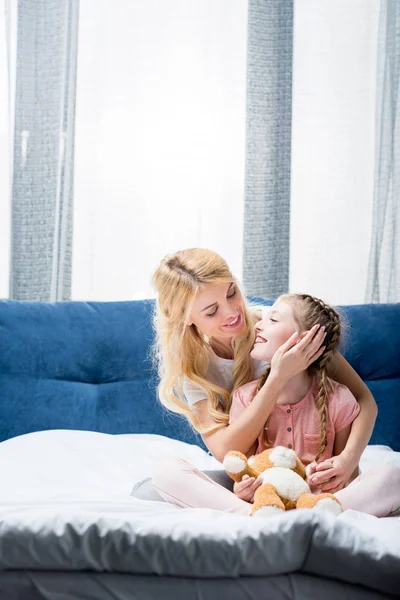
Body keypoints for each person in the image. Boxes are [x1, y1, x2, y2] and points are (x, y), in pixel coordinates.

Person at [152, 279, 400, 517]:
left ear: (307, 341)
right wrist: (243, 490)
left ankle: (313, 511)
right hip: (264, 495)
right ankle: (260, 514)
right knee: (166, 474)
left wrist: (344, 464)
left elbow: (348, 464)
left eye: (231, 293)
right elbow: (240, 462)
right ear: (189, 319)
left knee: (394, 477)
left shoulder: (337, 396)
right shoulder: (243, 395)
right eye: (211, 310)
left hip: (319, 495)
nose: (258, 322)